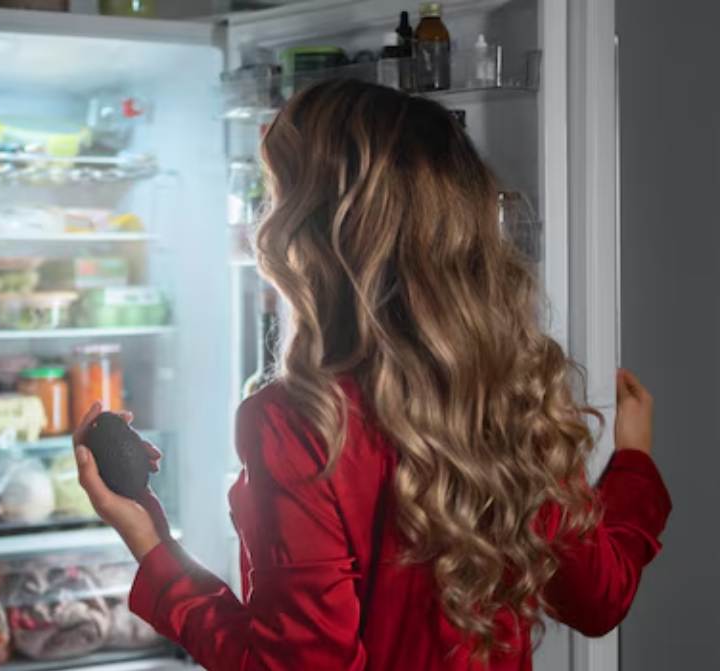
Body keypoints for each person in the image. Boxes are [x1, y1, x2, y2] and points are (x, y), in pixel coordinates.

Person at [72, 79, 670, 671]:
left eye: (276, 197)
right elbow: (599, 599)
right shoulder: (509, 391)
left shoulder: (298, 422)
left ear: (308, 234)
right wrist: (634, 463)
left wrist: (154, 546)